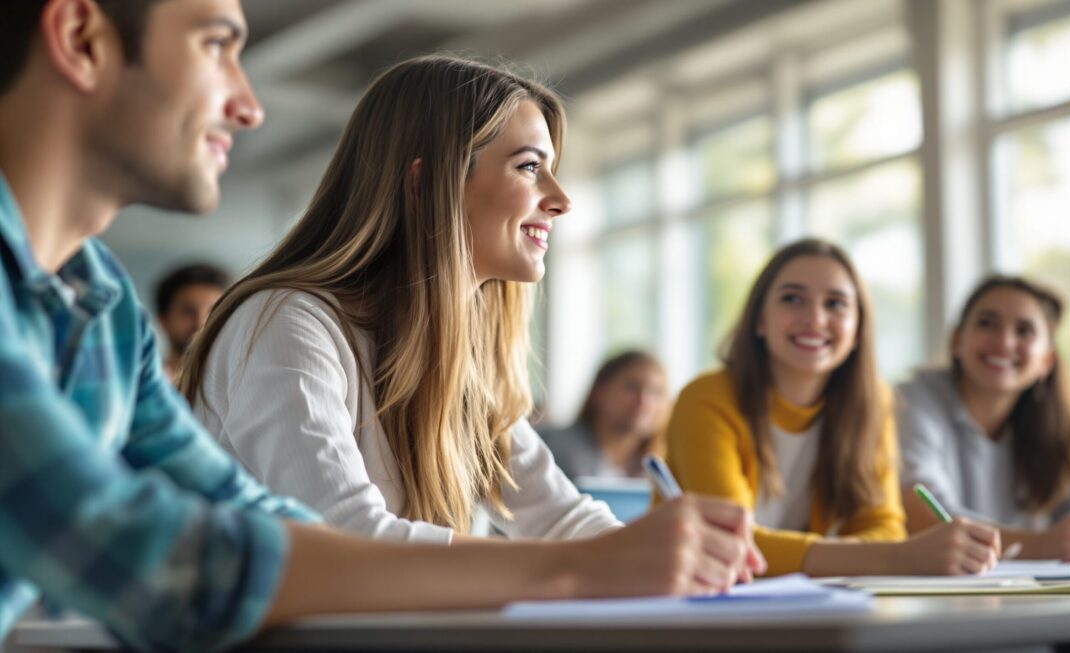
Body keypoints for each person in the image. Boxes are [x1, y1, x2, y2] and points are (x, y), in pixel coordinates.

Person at [0, 1, 761, 650]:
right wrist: (582, 570)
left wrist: (653, 555)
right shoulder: (285, 323)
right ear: (80, 38)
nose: (249, 106)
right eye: (216, 45)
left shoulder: (103, 307)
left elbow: (276, 524)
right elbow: (170, 554)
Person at [178, 56, 759, 553]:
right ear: (427, 184)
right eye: (530, 167)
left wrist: (660, 551)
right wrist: (598, 566)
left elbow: (560, 519)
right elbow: (351, 541)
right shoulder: (288, 324)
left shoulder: (460, 358)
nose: (560, 200)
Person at [666, 238, 1004, 577]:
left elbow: (884, 527)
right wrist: (891, 558)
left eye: (836, 304)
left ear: (857, 329)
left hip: (815, 607)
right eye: (792, 299)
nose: (814, 318)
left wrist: (876, 553)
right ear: (760, 321)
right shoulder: (706, 398)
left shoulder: (873, 405)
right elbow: (727, 542)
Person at [897, 275, 1070, 561]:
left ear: (1046, 361)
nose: (1004, 342)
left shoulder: (1053, 425)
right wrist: (1043, 545)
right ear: (957, 341)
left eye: (1024, 331)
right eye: (987, 324)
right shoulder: (914, 400)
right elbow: (921, 512)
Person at [540, 350, 669, 480]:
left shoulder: (662, 467)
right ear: (600, 392)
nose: (644, 401)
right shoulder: (551, 449)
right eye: (632, 387)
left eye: (656, 392)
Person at [155, 262, 228, 381]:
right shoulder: (140, 390)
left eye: (213, 312)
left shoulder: (241, 385)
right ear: (163, 320)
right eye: (188, 311)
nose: (200, 323)